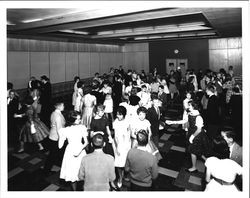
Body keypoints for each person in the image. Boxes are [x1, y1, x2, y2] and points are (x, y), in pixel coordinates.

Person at [166, 101, 212, 172]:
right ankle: (207, 160)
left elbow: (199, 129)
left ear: (194, 107)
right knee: (196, 149)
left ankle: (194, 167)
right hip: (191, 132)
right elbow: (184, 121)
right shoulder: (190, 114)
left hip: (197, 135)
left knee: (193, 150)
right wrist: (172, 122)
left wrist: (192, 137)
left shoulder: (199, 117)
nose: (188, 107)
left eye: (189, 105)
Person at [58, 111, 88, 191]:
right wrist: (60, 136)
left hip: (80, 150)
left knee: (82, 172)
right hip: (70, 152)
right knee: (72, 173)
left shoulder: (82, 127)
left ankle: (84, 190)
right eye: (78, 119)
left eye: (80, 119)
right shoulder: (65, 130)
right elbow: (60, 146)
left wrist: (79, 150)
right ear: (72, 120)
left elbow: (86, 142)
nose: (80, 120)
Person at [43, 101, 65, 175]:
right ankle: (46, 171)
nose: (64, 107)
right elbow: (59, 129)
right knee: (52, 155)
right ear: (58, 107)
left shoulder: (54, 113)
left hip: (52, 135)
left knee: (53, 154)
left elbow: (52, 124)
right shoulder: (58, 116)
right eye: (62, 105)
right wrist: (62, 138)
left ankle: (47, 169)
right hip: (56, 137)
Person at [113, 106, 131, 188]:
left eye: (120, 115)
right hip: (118, 144)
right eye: (117, 114)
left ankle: (124, 175)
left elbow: (128, 135)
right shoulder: (115, 122)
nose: (118, 116)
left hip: (126, 145)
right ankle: (120, 178)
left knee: (125, 163)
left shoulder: (127, 122)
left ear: (124, 115)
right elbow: (115, 136)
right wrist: (116, 147)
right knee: (118, 163)